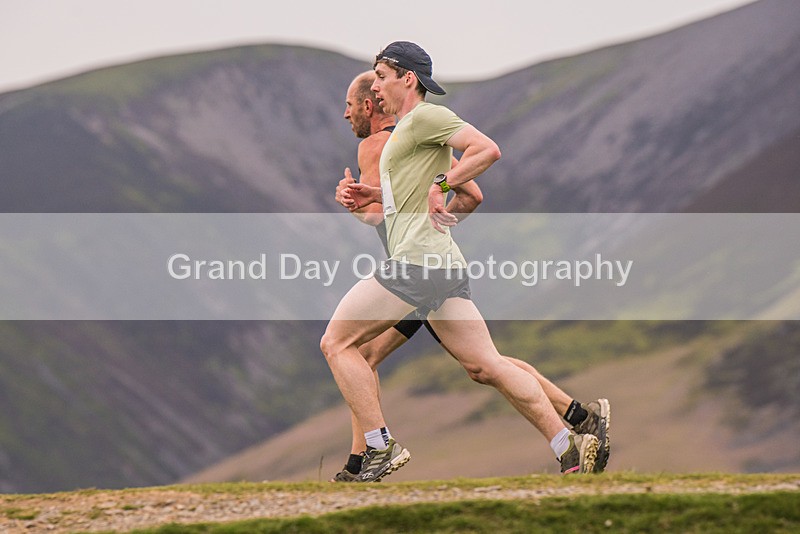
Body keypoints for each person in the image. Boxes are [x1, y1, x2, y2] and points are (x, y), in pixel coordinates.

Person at [322, 45, 610, 482]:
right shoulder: (405, 132)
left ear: (408, 79)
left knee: (337, 343)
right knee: (486, 366)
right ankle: (571, 447)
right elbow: (441, 196)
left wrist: (442, 183)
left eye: (381, 75)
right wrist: (375, 197)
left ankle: (378, 448)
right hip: (442, 268)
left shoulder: (425, 117)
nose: (374, 85)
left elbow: (488, 149)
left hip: (416, 265)